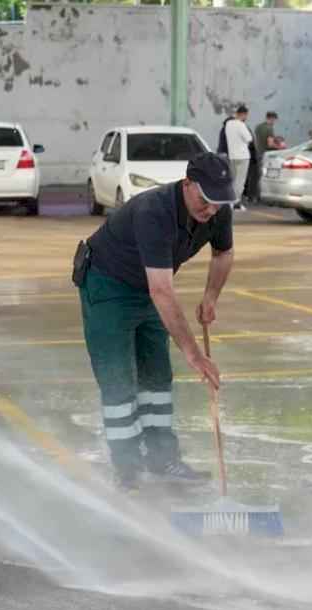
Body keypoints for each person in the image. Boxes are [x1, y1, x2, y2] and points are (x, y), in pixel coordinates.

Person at [75, 152, 238, 490]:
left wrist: (211, 297)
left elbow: (223, 253)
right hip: (108, 285)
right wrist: (193, 353)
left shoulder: (217, 210)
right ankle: (128, 469)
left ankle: (164, 460)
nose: (211, 210)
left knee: (157, 378)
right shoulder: (155, 211)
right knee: (119, 381)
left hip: (148, 286)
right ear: (187, 183)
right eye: (206, 200)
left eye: (218, 203)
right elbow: (162, 291)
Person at [219, 105, 254, 211]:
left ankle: (230, 202)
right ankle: (235, 202)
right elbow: (249, 138)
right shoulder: (241, 125)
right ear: (243, 114)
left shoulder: (228, 124)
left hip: (232, 155)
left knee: (232, 180)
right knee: (240, 181)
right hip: (243, 156)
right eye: (246, 115)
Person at [251, 111, 286, 204]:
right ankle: (263, 198)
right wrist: (281, 147)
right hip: (266, 156)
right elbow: (270, 144)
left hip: (258, 153)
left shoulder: (258, 127)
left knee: (258, 176)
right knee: (267, 176)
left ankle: (255, 197)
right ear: (272, 118)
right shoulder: (269, 128)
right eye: (274, 120)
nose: (274, 122)